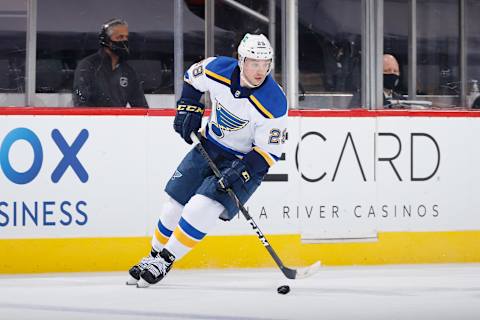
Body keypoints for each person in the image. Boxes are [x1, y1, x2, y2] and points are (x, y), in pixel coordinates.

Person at [127, 33, 288, 287]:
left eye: (265, 64)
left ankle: (165, 261)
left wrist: (239, 172)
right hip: (209, 146)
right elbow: (192, 78)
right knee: (174, 202)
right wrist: (189, 105)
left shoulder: (274, 101)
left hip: (245, 162)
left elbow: (268, 153)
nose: (260, 71)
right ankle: (153, 255)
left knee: (201, 207)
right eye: (254, 63)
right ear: (241, 61)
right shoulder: (218, 68)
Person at [72, 18, 148, 108]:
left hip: (119, 121)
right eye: (119, 37)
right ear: (107, 39)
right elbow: (81, 103)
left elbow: (141, 107)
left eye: (126, 37)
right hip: (93, 120)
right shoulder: (88, 66)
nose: (124, 41)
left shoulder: (128, 71)